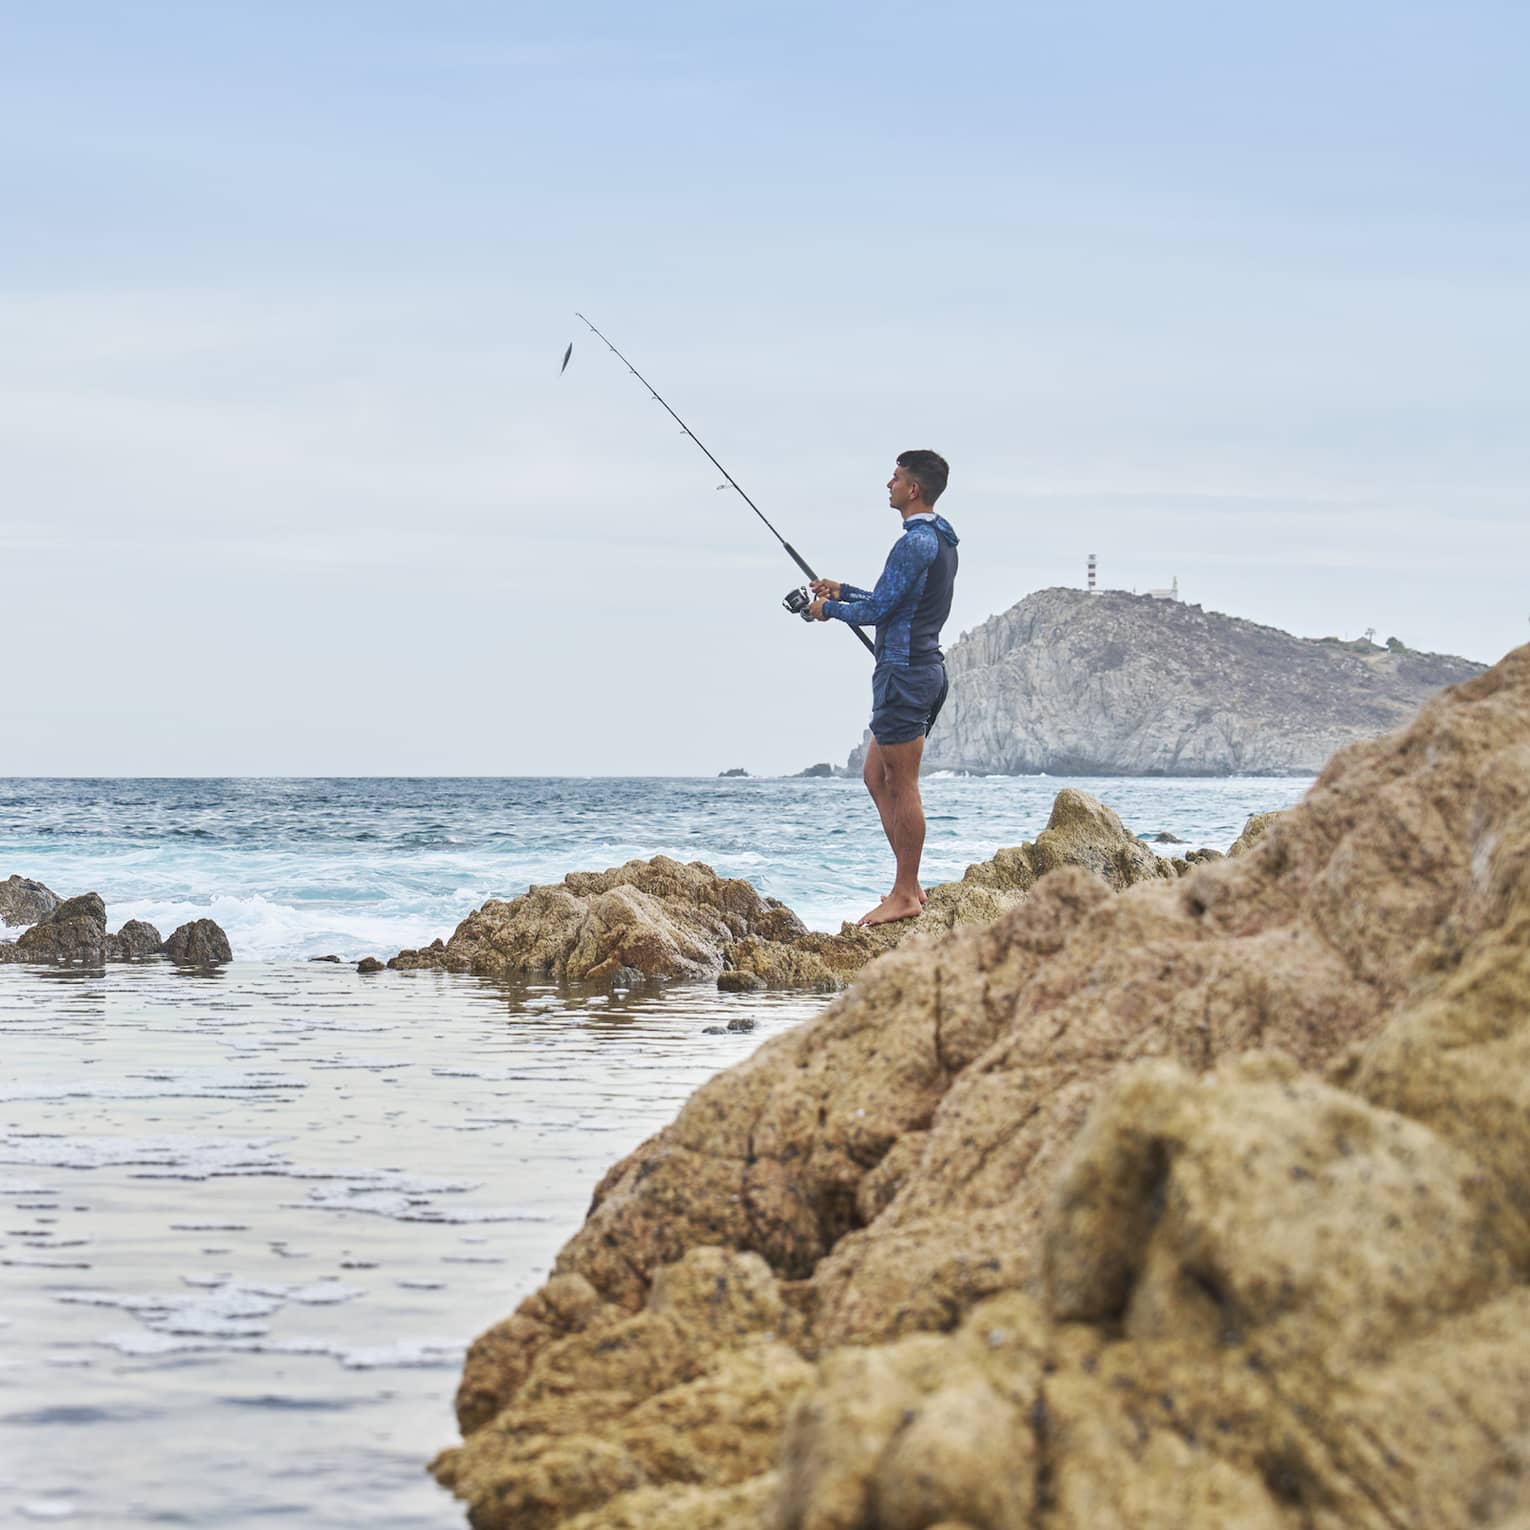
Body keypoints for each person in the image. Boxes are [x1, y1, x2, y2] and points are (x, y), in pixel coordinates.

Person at [808, 450, 959, 926]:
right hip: (921, 669)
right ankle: (909, 884)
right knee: (876, 777)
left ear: (914, 489)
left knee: (904, 783)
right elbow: (887, 599)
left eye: (894, 478)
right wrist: (842, 590)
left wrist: (825, 611)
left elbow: (879, 613)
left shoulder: (914, 543)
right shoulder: (939, 538)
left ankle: (904, 894)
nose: (887, 485)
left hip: (905, 673)